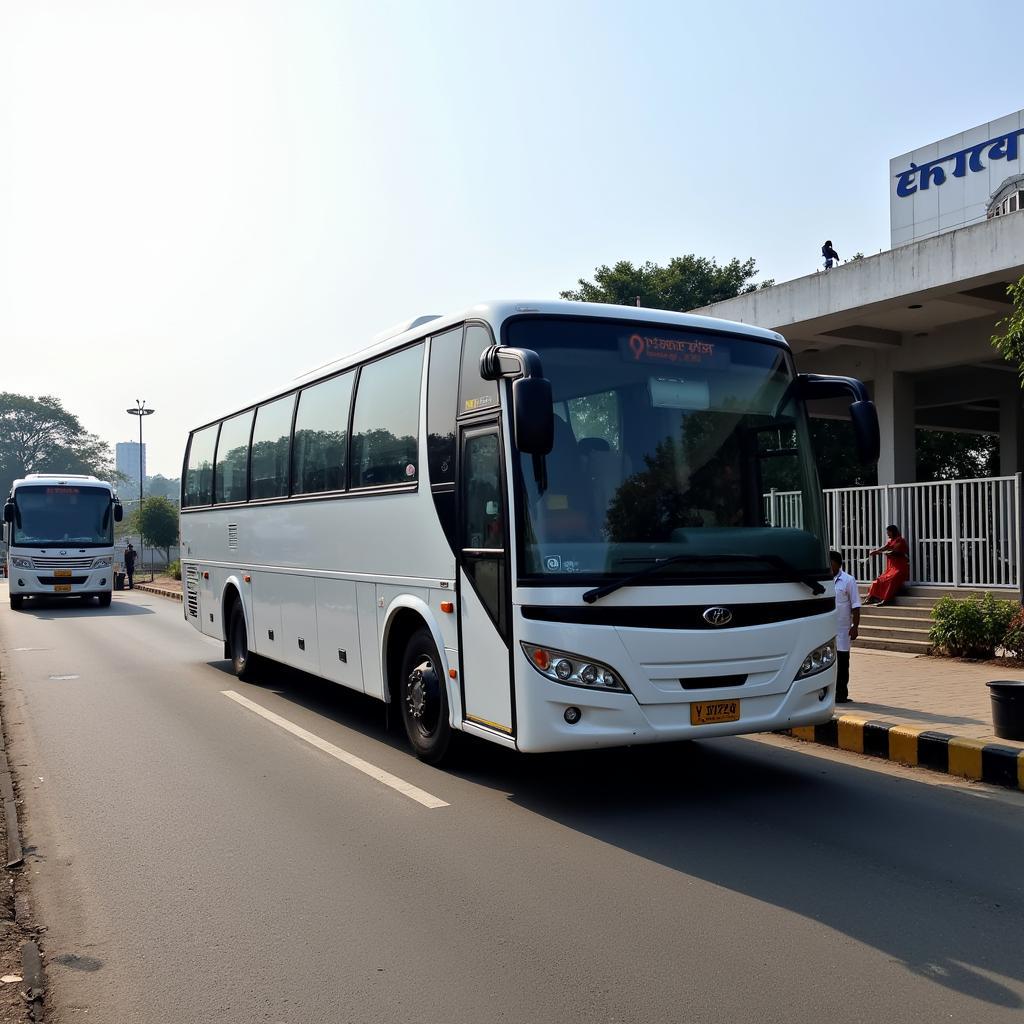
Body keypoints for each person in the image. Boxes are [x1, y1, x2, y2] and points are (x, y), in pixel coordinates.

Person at [830, 549, 861, 704]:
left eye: (831, 563)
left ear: (837, 563)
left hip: (842, 630)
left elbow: (856, 605)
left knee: (843, 663)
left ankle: (841, 694)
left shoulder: (848, 580)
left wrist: (855, 625)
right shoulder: (824, 580)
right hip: (826, 631)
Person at [864, 525, 910, 606]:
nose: (887, 534)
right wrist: (876, 551)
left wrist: (879, 552)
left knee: (891, 580)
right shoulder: (890, 541)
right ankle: (870, 597)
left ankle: (886, 600)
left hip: (900, 568)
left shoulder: (900, 540)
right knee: (879, 580)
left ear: (893, 532)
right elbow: (884, 548)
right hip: (892, 568)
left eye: (889, 532)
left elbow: (894, 552)